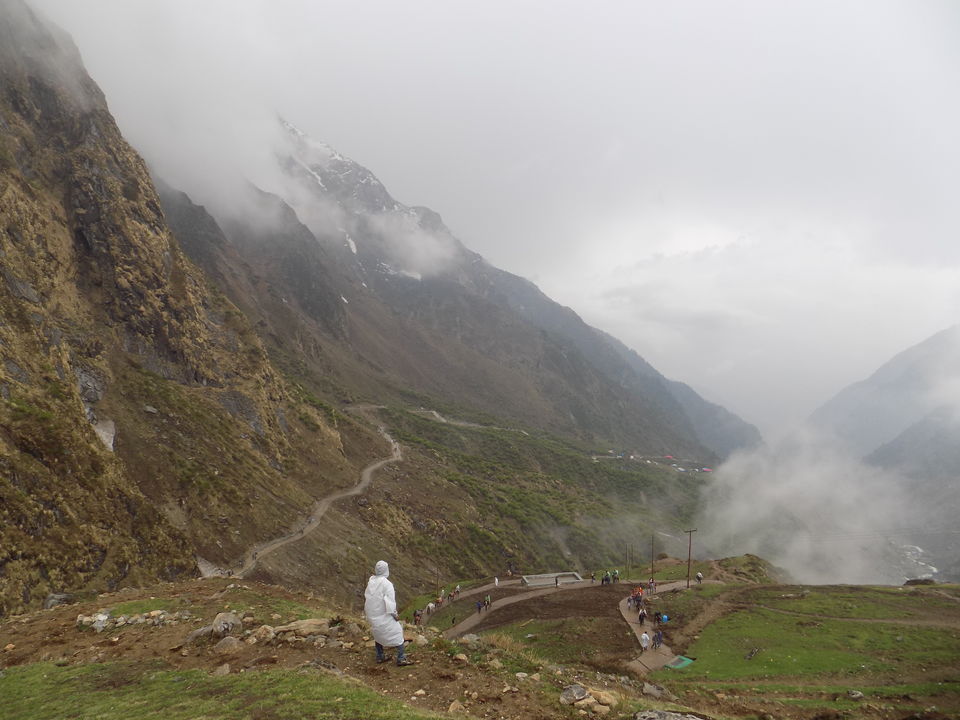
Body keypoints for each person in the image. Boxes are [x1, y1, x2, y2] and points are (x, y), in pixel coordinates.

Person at [364, 560, 412, 666]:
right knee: (398, 633)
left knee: (378, 634)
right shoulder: (387, 584)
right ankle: (401, 658)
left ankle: (380, 656)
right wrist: (395, 615)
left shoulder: (371, 581)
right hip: (384, 615)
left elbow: (368, 598)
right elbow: (390, 603)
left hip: (373, 616)